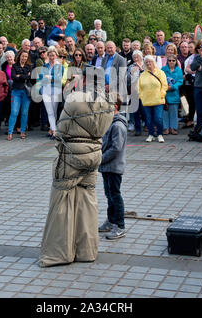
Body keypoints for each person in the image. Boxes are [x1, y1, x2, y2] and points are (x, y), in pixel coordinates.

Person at [38, 74, 115, 267]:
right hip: (94, 155)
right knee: (87, 201)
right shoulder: (109, 104)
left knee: (61, 201)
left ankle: (59, 253)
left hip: (72, 155)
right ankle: (86, 251)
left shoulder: (74, 100)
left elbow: (60, 131)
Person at [98, 94, 127, 240]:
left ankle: (120, 225)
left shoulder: (118, 125)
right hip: (106, 166)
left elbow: (116, 149)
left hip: (113, 167)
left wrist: (100, 159)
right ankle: (110, 221)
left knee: (115, 195)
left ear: (114, 107)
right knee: (109, 195)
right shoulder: (109, 122)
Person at [139, 55, 168, 143]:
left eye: (150, 62)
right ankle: (150, 134)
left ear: (154, 62)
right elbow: (139, 87)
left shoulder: (160, 72)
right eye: (146, 62)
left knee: (158, 118)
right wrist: (141, 97)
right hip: (146, 100)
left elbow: (164, 85)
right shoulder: (143, 74)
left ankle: (160, 134)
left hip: (158, 99)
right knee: (148, 118)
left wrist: (162, 94)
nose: (148, 64)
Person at [37, 46, 63, 140]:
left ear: (56, 56)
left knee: (54, 111)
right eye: (50, 55)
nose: (52, 57)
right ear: (48, 56)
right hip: (46, 90)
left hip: (56, 90)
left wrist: (49, 78)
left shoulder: (60, 66)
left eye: (53, 55)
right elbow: (41, 79)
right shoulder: (45, 66)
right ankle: (54, 131)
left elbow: (58, 79)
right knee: (50, 111)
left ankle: (53, 129)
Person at [7, 50, 32, 141]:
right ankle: (10, 132)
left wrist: (20, 76)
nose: (24, 58)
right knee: (14, 112)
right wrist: (24, 76)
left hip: (26, 92)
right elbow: (13, 77)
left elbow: (30, 77)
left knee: (24, 113)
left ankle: (23, 131)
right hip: (16, 91)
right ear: (19, 56)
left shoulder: (29, 66)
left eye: (26, 57)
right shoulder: (14, 66)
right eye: (22, 56)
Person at [162, 54, 183, 135]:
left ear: (176, 61)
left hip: (174, 93)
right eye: (169, 60)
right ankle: (166, 128)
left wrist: (173, 87)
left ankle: (173, 127)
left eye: (173, 60)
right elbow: (160, 79)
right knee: (165, 112)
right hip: (165, 93)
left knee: (173, 112)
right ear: (167, 61)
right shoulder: (163, 69)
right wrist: (166, 87)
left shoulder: (178, 70)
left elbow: (180, 81)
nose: (171, 62)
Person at [127, 50, 144, 135]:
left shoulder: (145, 65)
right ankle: (138, 129)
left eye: (137, 57)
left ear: (141, 57)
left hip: (144, 92)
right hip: (134, 91)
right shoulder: (131, 67)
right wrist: (130, 75)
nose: (136, 59)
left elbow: (147, 76)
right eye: (134, 57)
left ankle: (149, 128)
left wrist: (140, 69)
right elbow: (127, 80)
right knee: (136, 111)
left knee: (144, 112)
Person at [1, 51, 16, 126]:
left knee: (15, 104)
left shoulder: (17, 65)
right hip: (7, 87)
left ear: (14, 57)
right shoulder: (4, 65)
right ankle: (8, 120)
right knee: (8, 104)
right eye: (7, 57)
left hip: (16, 87)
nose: (9, 58)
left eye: (10, 57)